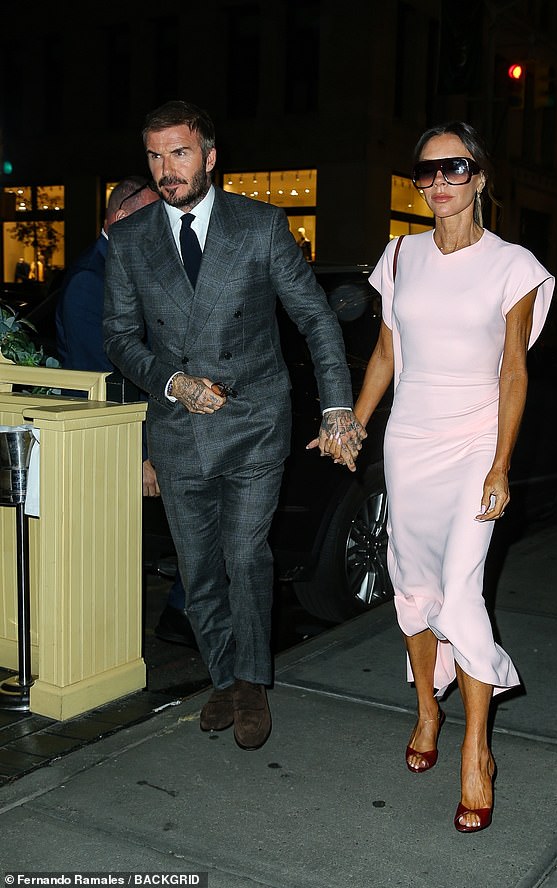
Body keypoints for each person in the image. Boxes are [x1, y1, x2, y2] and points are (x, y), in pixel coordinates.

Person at [102, 100, 364, 750]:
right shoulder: (131, 240)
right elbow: (119, 336)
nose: (167, 169)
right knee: (198, 568)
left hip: (252, 423)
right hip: (178, 425)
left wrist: (337, 406)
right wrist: (172, 381)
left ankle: (250, 684)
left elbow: (315, 317)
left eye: (179, 153)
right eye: (155, 156)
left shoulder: (259, 225)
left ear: (210, 157)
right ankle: (222, 677)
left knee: (246, 555)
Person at [353, 121, 554, 832]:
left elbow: (514, 372)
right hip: (410, 441)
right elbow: (386, 352)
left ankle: (477, 750)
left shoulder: (513, 266)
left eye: (455, 167)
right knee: (412, 588)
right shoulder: (399, 256)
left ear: (481, 178)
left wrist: (501, 463)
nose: (439, 181)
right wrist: (354, 421)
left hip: (475, 444)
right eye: (427, 170)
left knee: (462, 592)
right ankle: (427, 711)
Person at [55, 176, 195, 648]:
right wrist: (140, 454)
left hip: (150, 424)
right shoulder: (89, 281)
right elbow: (102, 381)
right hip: (108, 438)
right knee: (110, 550)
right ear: (118, 218)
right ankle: (111, 639)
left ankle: (183, 611)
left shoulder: (131, 268)